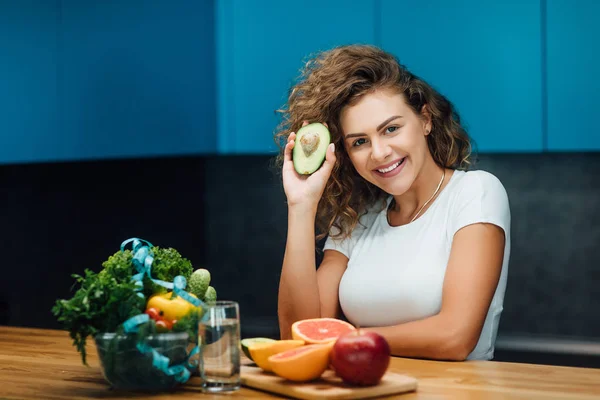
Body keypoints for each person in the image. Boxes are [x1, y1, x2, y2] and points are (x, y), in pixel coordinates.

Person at [274, 45, 510, 361]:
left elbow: (455, 337)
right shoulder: (358, 220)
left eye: (391, 129)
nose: (379, 152)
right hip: (365, 390)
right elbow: (297, 334)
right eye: (359, 141)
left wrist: (345, 339)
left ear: (425, 119)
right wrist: (300, 206)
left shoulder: (475, 192)